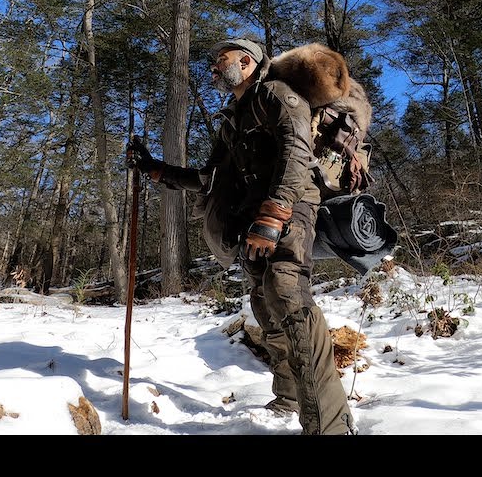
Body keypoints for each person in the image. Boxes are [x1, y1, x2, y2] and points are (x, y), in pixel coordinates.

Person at [127, 37, 356, 435]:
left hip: (291, 205)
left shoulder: (276, 94)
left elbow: (297, 152)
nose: (215, 67)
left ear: (247, 61)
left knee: (287, 293)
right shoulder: (233, 117)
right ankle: (289, 396)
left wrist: (275, 212)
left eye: (223, 59)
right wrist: (158, 171)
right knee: (265, 303)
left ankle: (331, 423)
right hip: (253, 217)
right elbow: (210, 178)